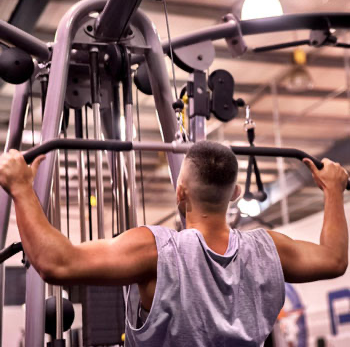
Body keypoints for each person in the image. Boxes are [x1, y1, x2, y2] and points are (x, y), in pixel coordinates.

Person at [0, 141, 348, 346]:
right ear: (235, 194)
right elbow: (334, 259)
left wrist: (20, 188)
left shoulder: (156, 249)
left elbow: (56, 263)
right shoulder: (270, 248)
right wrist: (333, 192)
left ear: (180, 193)